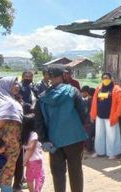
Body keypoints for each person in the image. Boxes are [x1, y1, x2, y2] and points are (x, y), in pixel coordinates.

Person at [35, 64, 87, 192]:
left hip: (53, 140)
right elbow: (83, 113)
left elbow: (39, 122)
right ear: (63, 75)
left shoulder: (42, 97)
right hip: (74, 138)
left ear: (49, 78)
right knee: (75, 170)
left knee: (57, 172)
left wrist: (44, 139)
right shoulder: (73, 91)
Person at [0, 76, 24, 192]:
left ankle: (5, 188)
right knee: (8, 169)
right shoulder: (7, 102)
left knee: (8, 168)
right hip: (7, 142)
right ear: (5, 86)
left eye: (17, 84)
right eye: (14, 84)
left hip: (12, 141)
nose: (17, 86)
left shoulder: (5, 99)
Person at [89, 72, 121, 159]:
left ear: (111, 78)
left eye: (107, 77)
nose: (105, 79)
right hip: (99, 116)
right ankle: (99, 152)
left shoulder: (116, 89)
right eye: (103, 78)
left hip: (111, 116)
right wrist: (92, 114)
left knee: (112, 135)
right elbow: (94, 102)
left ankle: (112, 153)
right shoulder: (99, 88)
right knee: (99, 135)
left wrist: (116, 115)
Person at [22, 114, 45, 192]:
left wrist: (25, 160)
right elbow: (31, 148)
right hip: (36, 160)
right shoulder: (34, 134)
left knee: (30, 178)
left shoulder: (25, 135)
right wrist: (25, 147)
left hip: (29, 161)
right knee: (40, 176)